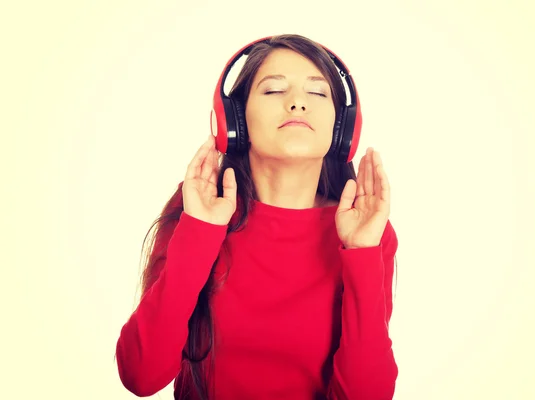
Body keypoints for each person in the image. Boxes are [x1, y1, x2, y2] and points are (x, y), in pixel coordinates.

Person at [115, 34, 399, 400]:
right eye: (273, 91)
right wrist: (200, 232)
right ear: (236, 121)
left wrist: (361, 252)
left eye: (317, 93)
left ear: (343, 128)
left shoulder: (365, 230)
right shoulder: (200, 206)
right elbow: (141, 374)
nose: (297, 103)